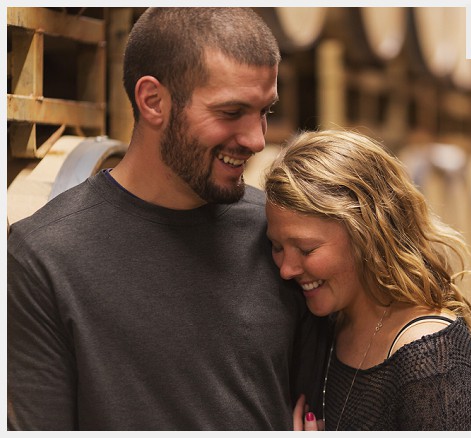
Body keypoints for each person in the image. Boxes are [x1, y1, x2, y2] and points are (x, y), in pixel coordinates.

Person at [7, 7, 328, 430]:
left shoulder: (280, 240)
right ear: (153, 101)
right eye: (231, 112)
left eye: (265, 111)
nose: (256, 139)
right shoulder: (43, 258)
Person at [264, 129, 471, 431]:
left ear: (366, 234)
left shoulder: (434, 365)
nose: (286, 269)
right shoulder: (328, 327)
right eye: (278, 247)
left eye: (306, 249)